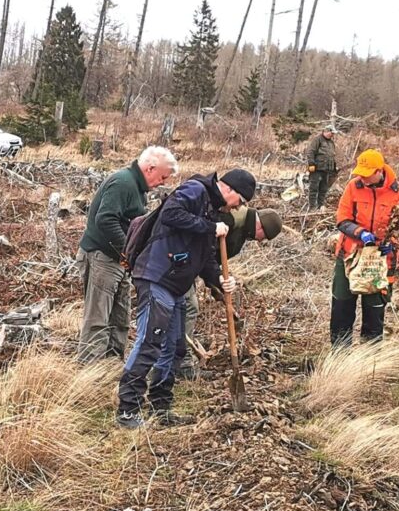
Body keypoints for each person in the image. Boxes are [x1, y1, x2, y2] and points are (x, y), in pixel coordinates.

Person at [118, 168, 256, 429]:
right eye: (241, 200)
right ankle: (127, 410)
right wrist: (209, 227)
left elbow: (205, 258)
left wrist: (219, 280)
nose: (239, 207)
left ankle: (161, 407)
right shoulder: (196, 190)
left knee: (175, 347)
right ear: (230, 190)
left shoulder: (214, 211)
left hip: (176, 284)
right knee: (150, 343)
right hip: (156, 275)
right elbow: (171, 214)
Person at [76, 147, 178, 363]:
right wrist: (129, 249)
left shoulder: (137, 188)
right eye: (162, 177)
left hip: (120, 261)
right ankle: (88, 370)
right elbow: (105, 219)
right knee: (98, 319)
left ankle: (112, 365)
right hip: (101, 257)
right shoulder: (123, 182)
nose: (162, 182)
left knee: (120, 317)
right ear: (150, 168)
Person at [175, 206, 283, 380]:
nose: (262, 241)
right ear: (260, 226)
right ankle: (181, 364)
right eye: (265, 237)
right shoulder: (229, 220)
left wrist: (221, 295)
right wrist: (218, 284)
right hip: (180, 262)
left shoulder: (241, 231)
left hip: (192, 266)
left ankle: (174, 360)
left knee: (186, 308)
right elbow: (206, 256)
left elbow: (210, 264)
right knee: (188, 308)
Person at [331, 150, 399, 346]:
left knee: (374, 309)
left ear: (379, 171)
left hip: (380, 259)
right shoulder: (353, 187)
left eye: (367, 174)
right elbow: (342, 220)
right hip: (349, 254)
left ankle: (371, 358)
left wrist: (392, 244)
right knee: (342, 305)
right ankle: (339, 355)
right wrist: (360, 233)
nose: (363, 178)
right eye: (360, 173)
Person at [306, 126, 339, 210]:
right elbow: (311, 152)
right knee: (314, 188)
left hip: (327, 170)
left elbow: (332, 156)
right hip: (317, 168)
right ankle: (312, 207)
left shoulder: (331, 143)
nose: (332, 135)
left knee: (323, 189)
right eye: (331, 133)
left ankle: (320, 205)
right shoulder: (317, 140)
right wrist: (311, 164)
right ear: (326, 131)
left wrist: (334, 168)